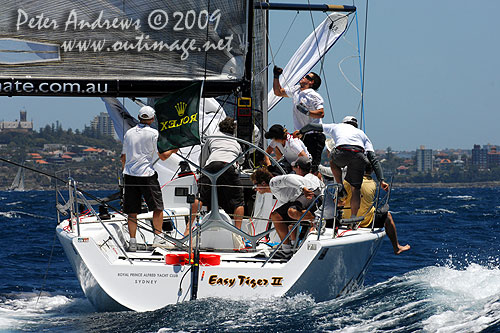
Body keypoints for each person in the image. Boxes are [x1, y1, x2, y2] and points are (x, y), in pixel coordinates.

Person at [294, 115, 388, 218]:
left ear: (344, 123)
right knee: (355, 190)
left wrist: (301, 132)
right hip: (359, 155)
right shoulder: (362, 134)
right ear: (355, 126)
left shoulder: (336, 126)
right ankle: (353, 218)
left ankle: (340, 185)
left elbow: (311, 126)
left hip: (342, 151)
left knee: (332, 162)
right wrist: (381, 180)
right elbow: (373, 159)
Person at [121, 105, 172, 252]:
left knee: (132, 210)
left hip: (129, 175)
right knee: (157, 207)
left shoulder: (129, 133)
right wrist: (174, 149)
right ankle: (158, 238)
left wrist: (125, 170)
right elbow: (163, 156)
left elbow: (123, 157)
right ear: (152, 118)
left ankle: (132, 242)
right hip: (147, 175)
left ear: (139, 117)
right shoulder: (154, 134)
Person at [188, 117, 244, 235]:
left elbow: (203, 158)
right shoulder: (236, 143)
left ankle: (188, 230)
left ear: (220, 127)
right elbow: (241, 160)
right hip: (229, 167)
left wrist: (203, 172)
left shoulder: (212, 137)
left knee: (201, 197)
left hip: (211, 166)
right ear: (233, 130)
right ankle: (238, 234)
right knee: (238, 202)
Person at [251, 166, 321, 258]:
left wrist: (303, 188)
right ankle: (287, 249)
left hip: (310, 191)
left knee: (292, 211)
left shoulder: (273, 182)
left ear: (263, 183)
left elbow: (288, 178)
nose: (255, 189)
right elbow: (290, 222)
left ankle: (317, 219)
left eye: (256, 185)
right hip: (304, 195)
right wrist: (293, 243)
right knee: (276, 216)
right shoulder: (279, 194)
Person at [341, 164, 410, 255]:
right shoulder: (372, 184)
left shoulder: (347, 182)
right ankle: (396, 247)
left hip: (347, 219)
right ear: (372, 171)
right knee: (388, 215)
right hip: (366, 221)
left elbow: (340, 201)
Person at [273, 66, 325, 174]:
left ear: (311, 82)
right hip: (299, 135)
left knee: (311, 167)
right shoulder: (296, 90)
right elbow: (278, 92)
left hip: (313, 136)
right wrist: (276, 76)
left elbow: (321, 113)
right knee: (299, 165)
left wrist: (307, 112)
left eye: (307, 76)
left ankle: (316, 188)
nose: (303, 76)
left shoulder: (314, 96)